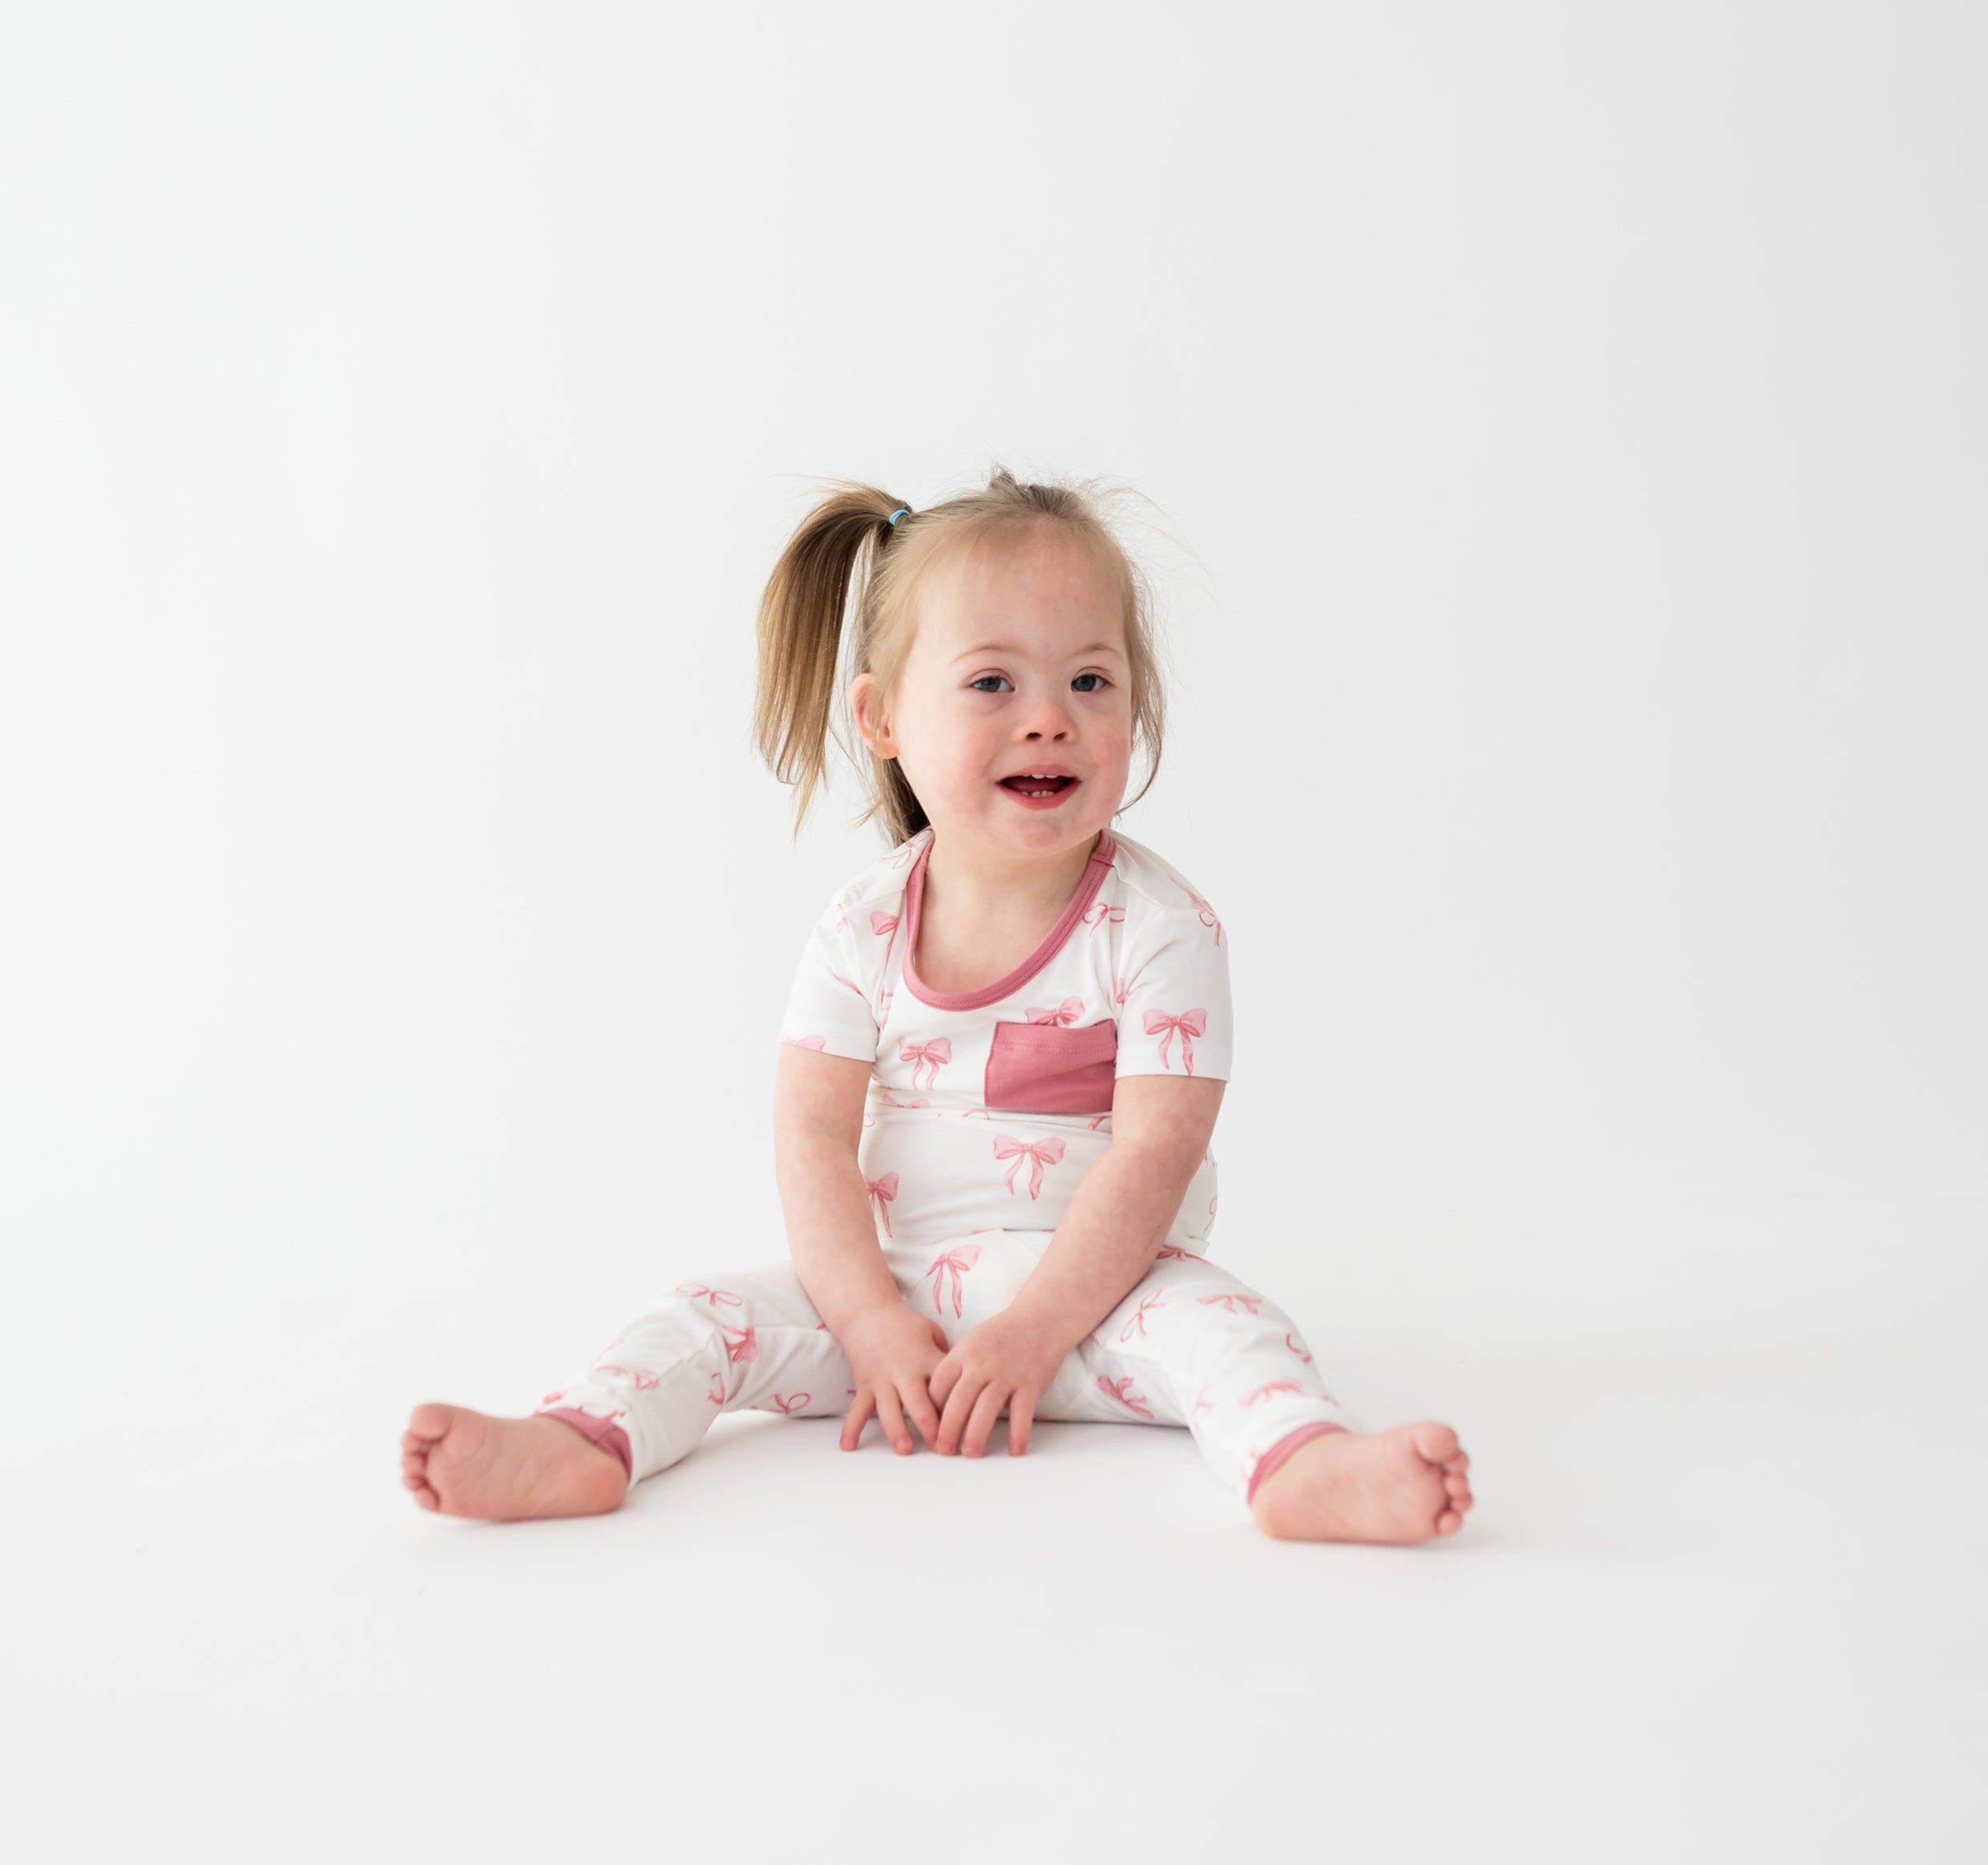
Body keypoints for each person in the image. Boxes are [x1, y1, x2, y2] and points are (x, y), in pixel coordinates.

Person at [400, 467, 1474, 1541]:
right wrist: (867, 1320)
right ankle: (582, 1440)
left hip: (1104, 1300)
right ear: (881, 717)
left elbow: (1157, 1156)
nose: (1050, 720)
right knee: (696, 1317)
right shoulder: (859, 926)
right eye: (993, 684)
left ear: (1135, 706)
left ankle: (1302, 1463)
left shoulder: (1161, 928)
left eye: (1091, 682)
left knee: (1236, 1332)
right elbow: (813, 1135)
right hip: (894, 1299)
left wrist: (1036, 1329)